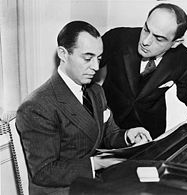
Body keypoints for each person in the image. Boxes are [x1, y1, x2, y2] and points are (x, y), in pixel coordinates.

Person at [16, 21, 152, 195]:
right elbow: (44, 172)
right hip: (60, 190)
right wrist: (96, 163)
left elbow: (108, 134)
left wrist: (127, 135)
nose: (96, 67)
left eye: (99, 58)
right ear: (63, 54)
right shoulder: (37, 106)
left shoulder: (95, 91)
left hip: (90, 181)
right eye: (88, 58)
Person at [95, 3, 187, 139]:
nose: (146, 41)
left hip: (148, 130)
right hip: (107, 126)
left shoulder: (183, 59)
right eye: (146, 29)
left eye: (159, 38)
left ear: (176, 42)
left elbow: (185, 95)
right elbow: (86, 68)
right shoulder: (118, 37)